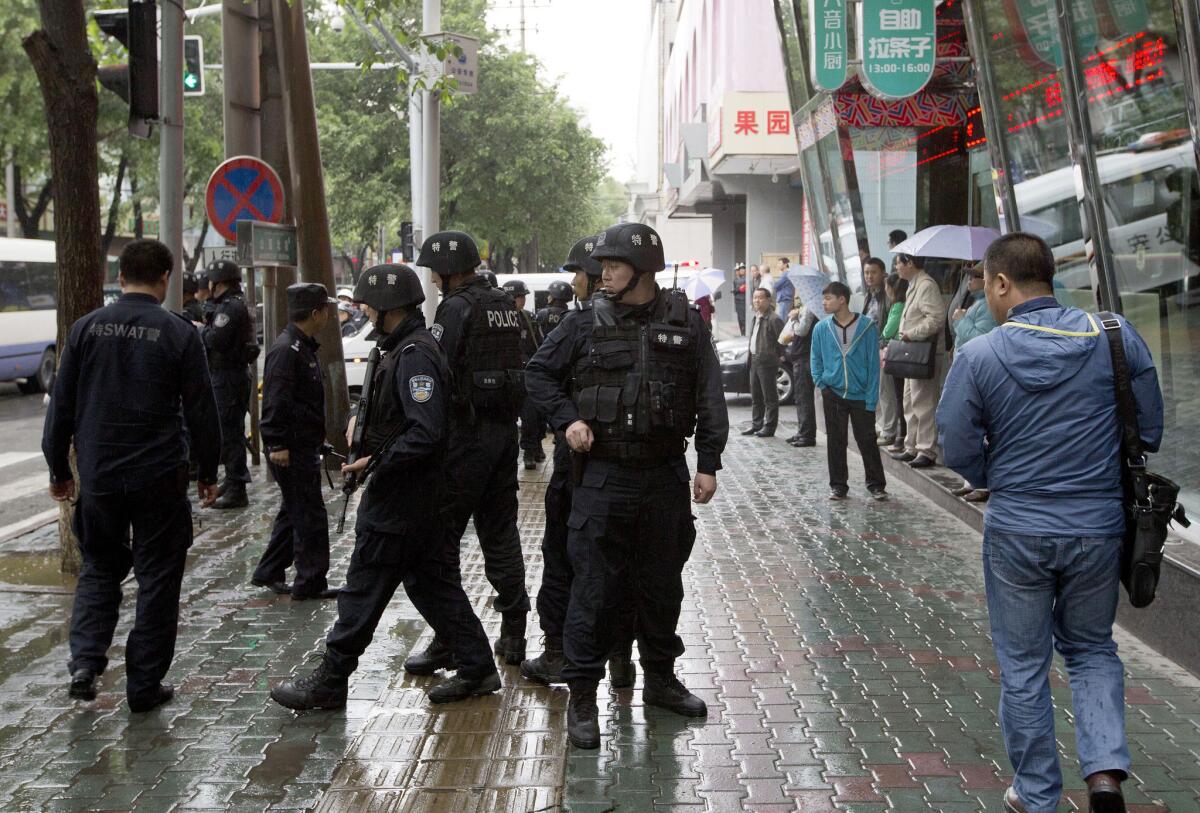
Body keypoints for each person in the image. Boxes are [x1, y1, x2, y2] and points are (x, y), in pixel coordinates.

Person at [937, 233, 1164, 813]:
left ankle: (1037, 794)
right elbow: (1150, 431)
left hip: (1017, 529)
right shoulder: (1114, 337)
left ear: (1003, 284)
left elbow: (958, 447)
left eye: (986, 284)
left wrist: (1003, 474)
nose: (985, 296)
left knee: (1023, 665)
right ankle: (1105, 777)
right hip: (1097, 528)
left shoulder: (981, 355)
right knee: (1091, 650)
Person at [525, 222, 729, 750]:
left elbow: (709, 393)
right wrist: (567, 418)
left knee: (661, 586)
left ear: (642, 270)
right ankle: (584, 698)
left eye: (613, 265)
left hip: (664, 475)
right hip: (604, 478)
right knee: (593, 589)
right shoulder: (584, 322)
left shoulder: (685, 321)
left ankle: (659, 680)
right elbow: (538, 374)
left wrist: (708, 461)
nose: (603, 273)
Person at [271, 265, 500, 710]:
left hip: (403, 500)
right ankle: (476, 665)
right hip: (414, 498)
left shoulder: (415, 353)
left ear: (387, 307)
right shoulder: (397, 347)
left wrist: (374, 462)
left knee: (362, 589)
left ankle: (331, 679)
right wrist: (362, 421)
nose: (363, 311)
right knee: (432, 584)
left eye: (368, 305)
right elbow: (393, 414)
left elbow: (425, 431)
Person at [43, 239, 220, 712]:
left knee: (100, 566)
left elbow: (61, 406)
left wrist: (59, 468)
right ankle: (143, 685)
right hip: (159, 476)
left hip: (100, 474)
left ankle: (84, 662)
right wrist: (208, 471)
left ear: (120, 277)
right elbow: (203, 409)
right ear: (165, 280)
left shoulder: (85, 329)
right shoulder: (179, 333)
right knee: (159, 578)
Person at [402, 231, 531, 675]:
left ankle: (450, 638)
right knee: (500, 533)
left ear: (450, 268)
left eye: (435, 271)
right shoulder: (504, 306)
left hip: (466, 437)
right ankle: (514, 631)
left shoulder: (456, 309)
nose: (434, 280)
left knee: (440, 540)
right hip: (503, 435)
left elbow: (436, 367)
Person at [521, 235, 637, 689]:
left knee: (573, 562)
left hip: (591, 471)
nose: (573, 283)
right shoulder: (590, 323)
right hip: (590, 464)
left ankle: (570, 653)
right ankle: (601, 654)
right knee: (597, 564)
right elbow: (540, 375)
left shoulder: (593, 324)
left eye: (579, 274)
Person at [252, 283, 340, 601]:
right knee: (309, 515)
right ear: (315, 313)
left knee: (293, 511)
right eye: (326, 309)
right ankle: (310, 582)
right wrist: (277, 445)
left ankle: (269, 571)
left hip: (302, 445)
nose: (330, 315)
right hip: (290, 449)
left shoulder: (301, 347)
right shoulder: (287, 350)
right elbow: (276, 401)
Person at [810, 281, 887, 501]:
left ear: (842, 299)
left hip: (861, 393)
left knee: (867, 440)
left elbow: (873, 365)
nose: (824, 303)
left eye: (828, 298)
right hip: (832, 392)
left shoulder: (867, 326)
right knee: (836, 440)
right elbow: (815, 359)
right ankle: (838, 486)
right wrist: (821, 383)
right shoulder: (821, 328)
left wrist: (872, 398)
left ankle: (876, 485)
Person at [202, 258, 258, 508]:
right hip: (232, 375)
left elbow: (217, 339)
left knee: (229, 434)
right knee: (230, 431)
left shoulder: (230, 307)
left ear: (219, 282)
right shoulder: (235, 304)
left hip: (228, 376)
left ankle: (237, 488)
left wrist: (200, 330)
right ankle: (233, 480)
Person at [947, 263, 997, 503]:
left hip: (977, 372)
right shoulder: (979, 303)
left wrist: (960, 321)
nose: (969, 283)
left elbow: (978, 339)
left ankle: (981, 482)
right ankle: (971, 481)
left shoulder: (988, 307)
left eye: (974, 278)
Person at [891, 253, 944, 469]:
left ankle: (926, 449)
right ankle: (911, 445)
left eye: (898, 263)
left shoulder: (926, 285)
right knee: (910, 401)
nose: (896, 268)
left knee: (923, 402)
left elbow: (936, 319)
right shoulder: (914, 284)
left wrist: (911, 333)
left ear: (910, 263)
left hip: (923, 352)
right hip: (911, 353)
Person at [503, 278, 547, 470]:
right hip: (507, 375)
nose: (521, 301)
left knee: (533, 415)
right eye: (519, 297)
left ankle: (532, 448)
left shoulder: (529, 318)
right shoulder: (500, 318)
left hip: (527, 373)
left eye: (522, 297)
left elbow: (539, 345)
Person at [743, 287, 783, 438]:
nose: (757, 301)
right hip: (754, 360)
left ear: (768, 300)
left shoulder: (774, 318)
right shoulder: (756, 317)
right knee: (756, 396)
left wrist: (776, 356)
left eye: (760, 298)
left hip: (767, 362)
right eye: (755, 298)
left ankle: (769, 426)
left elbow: (782, 341)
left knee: (770, 397)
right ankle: (756, 424)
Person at [782, 302, 819, 447]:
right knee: (800, 397)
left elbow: (802, 330)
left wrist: (795, 318)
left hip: (804, 356)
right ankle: (803, 431)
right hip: (800, 356)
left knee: (804, 397)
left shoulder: (810, 307)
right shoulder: (806, 306)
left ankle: (807, 434)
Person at [880, 274, 908, 451]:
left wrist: (882, 336)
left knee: (899, 396)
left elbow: (888, 331)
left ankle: (901, 434)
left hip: (897, 354)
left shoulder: (898, 305)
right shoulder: (904, 303)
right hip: (904, 353)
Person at [733, 262, 748, 335]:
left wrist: (737, 290)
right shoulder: (736, 279)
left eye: (742, 269)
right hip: (737, 301)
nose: (738, 271)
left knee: (742, 318)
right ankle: (742, 333)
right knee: (739, 318)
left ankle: (744, 333)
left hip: (742, 300)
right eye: (737, 270)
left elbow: (741, 289)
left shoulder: (745, 279)